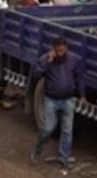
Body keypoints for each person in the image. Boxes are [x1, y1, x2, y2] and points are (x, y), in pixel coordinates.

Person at [30, 36, 84, 168]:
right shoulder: (46, 59)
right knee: (48, 128)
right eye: (58, 51)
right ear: (53, 49)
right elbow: (36, 74)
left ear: (66, 48)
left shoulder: (73, 59)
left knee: (67, 130)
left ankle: (63, 158)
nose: (60, 54)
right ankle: (38, 151)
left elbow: (79, 77)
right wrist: (47, 62)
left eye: (62, 51)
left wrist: (82, 95)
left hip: (68, 100)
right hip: (51, 100)